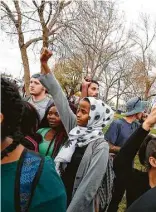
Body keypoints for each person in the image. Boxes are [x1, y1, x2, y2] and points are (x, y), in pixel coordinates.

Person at [39, 48, 115, 212]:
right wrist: (44, 64)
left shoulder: (100, 146)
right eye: (78, 110)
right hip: (58, 195)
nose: (77, 115)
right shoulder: (76, 129)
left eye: (83, 112)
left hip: (76, 204)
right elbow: (59, 97)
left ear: (96, 117)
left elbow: (89, 187)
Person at [1, 77, 66, 212]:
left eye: (36, 82)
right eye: (30, 82)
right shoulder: (41, 130)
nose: (52, 117)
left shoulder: (41, 177)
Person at [106, 96, 147, 212]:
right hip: (114, 167)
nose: (143, 112)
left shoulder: (136, 126)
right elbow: (108, 146)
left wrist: (144, 120)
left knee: (118, 197)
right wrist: (126, 150)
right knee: (111, 196)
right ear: (136, 111)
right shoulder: (117, 124)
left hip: (129, 168)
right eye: (142, 110)